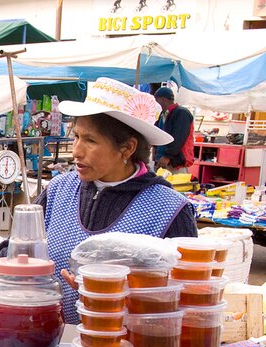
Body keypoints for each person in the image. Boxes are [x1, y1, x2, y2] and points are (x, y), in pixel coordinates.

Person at [41, 78, 198, 324]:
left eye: (90, 141)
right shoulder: (58, 191)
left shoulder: (168, 209)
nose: (77, 151)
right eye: (77, 137)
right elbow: (17, 249)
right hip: (52, 346)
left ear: (127, 148)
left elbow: (189, 296)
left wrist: (117, 293)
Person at [153, 86, 195, 173]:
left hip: (175, 163)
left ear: (162, 100)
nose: (155, 103)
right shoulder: (162, 114)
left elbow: (179, 137)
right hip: (162, 161)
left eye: (156, 100)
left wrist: (167, 156)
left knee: (175, 185)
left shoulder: (181, 113)